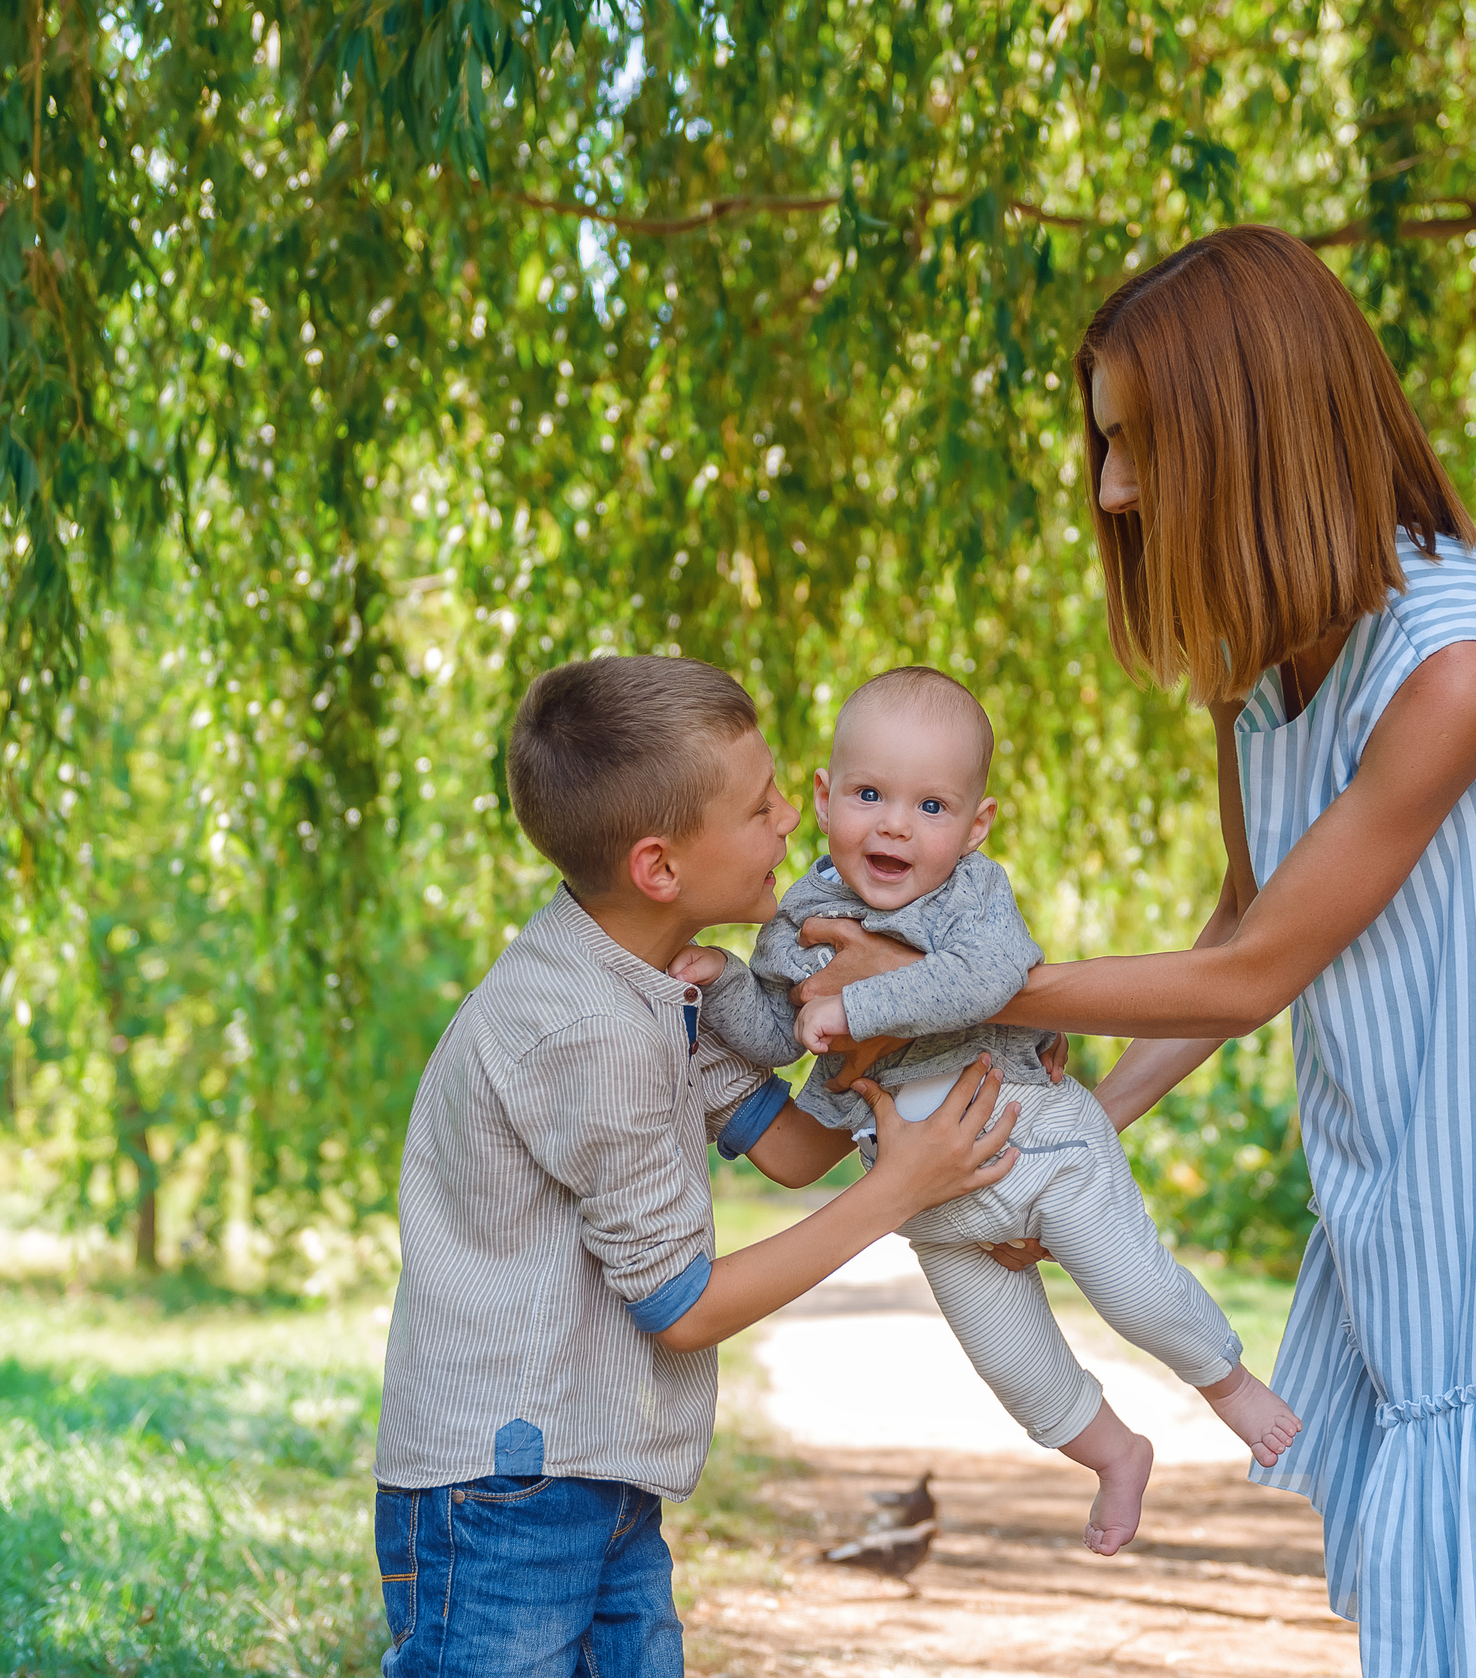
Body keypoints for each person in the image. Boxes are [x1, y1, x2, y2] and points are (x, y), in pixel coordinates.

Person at [797, 226, 1476, 1677]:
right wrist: (1067, 1138)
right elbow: (1238, 924)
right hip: (1405, 1205)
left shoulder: (1463, 665)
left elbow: (1261, 976)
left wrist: (927, 982)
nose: (1111, 488)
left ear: (1251, 432)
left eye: (1135, 446)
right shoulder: (1264, 674)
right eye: (1104, 448)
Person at [373, 654, 1023, 1678]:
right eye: (762, 806)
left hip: (590, 1463)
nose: (788, 823)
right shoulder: (591, 1026)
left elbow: (794, 1149)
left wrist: (914, 1029)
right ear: (659, 867)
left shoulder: (656, 978)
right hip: (504, 1492)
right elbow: (681, 1306)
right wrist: (897, 1190)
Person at [682, 663, 1299, 1555]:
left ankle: (1229, 1386)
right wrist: (729, 982)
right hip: (937, 1207)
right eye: (869, 794)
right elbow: (782, 1036)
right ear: (824, 799)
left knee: (1133, 1293)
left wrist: (855, 1006)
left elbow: (990, 980)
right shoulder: (797, 918)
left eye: (932, 807)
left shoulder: (974, 897)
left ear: (976, 826)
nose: (896, 823)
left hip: (1038, 1142)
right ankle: (1114, 1454)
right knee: (1017, 1371)